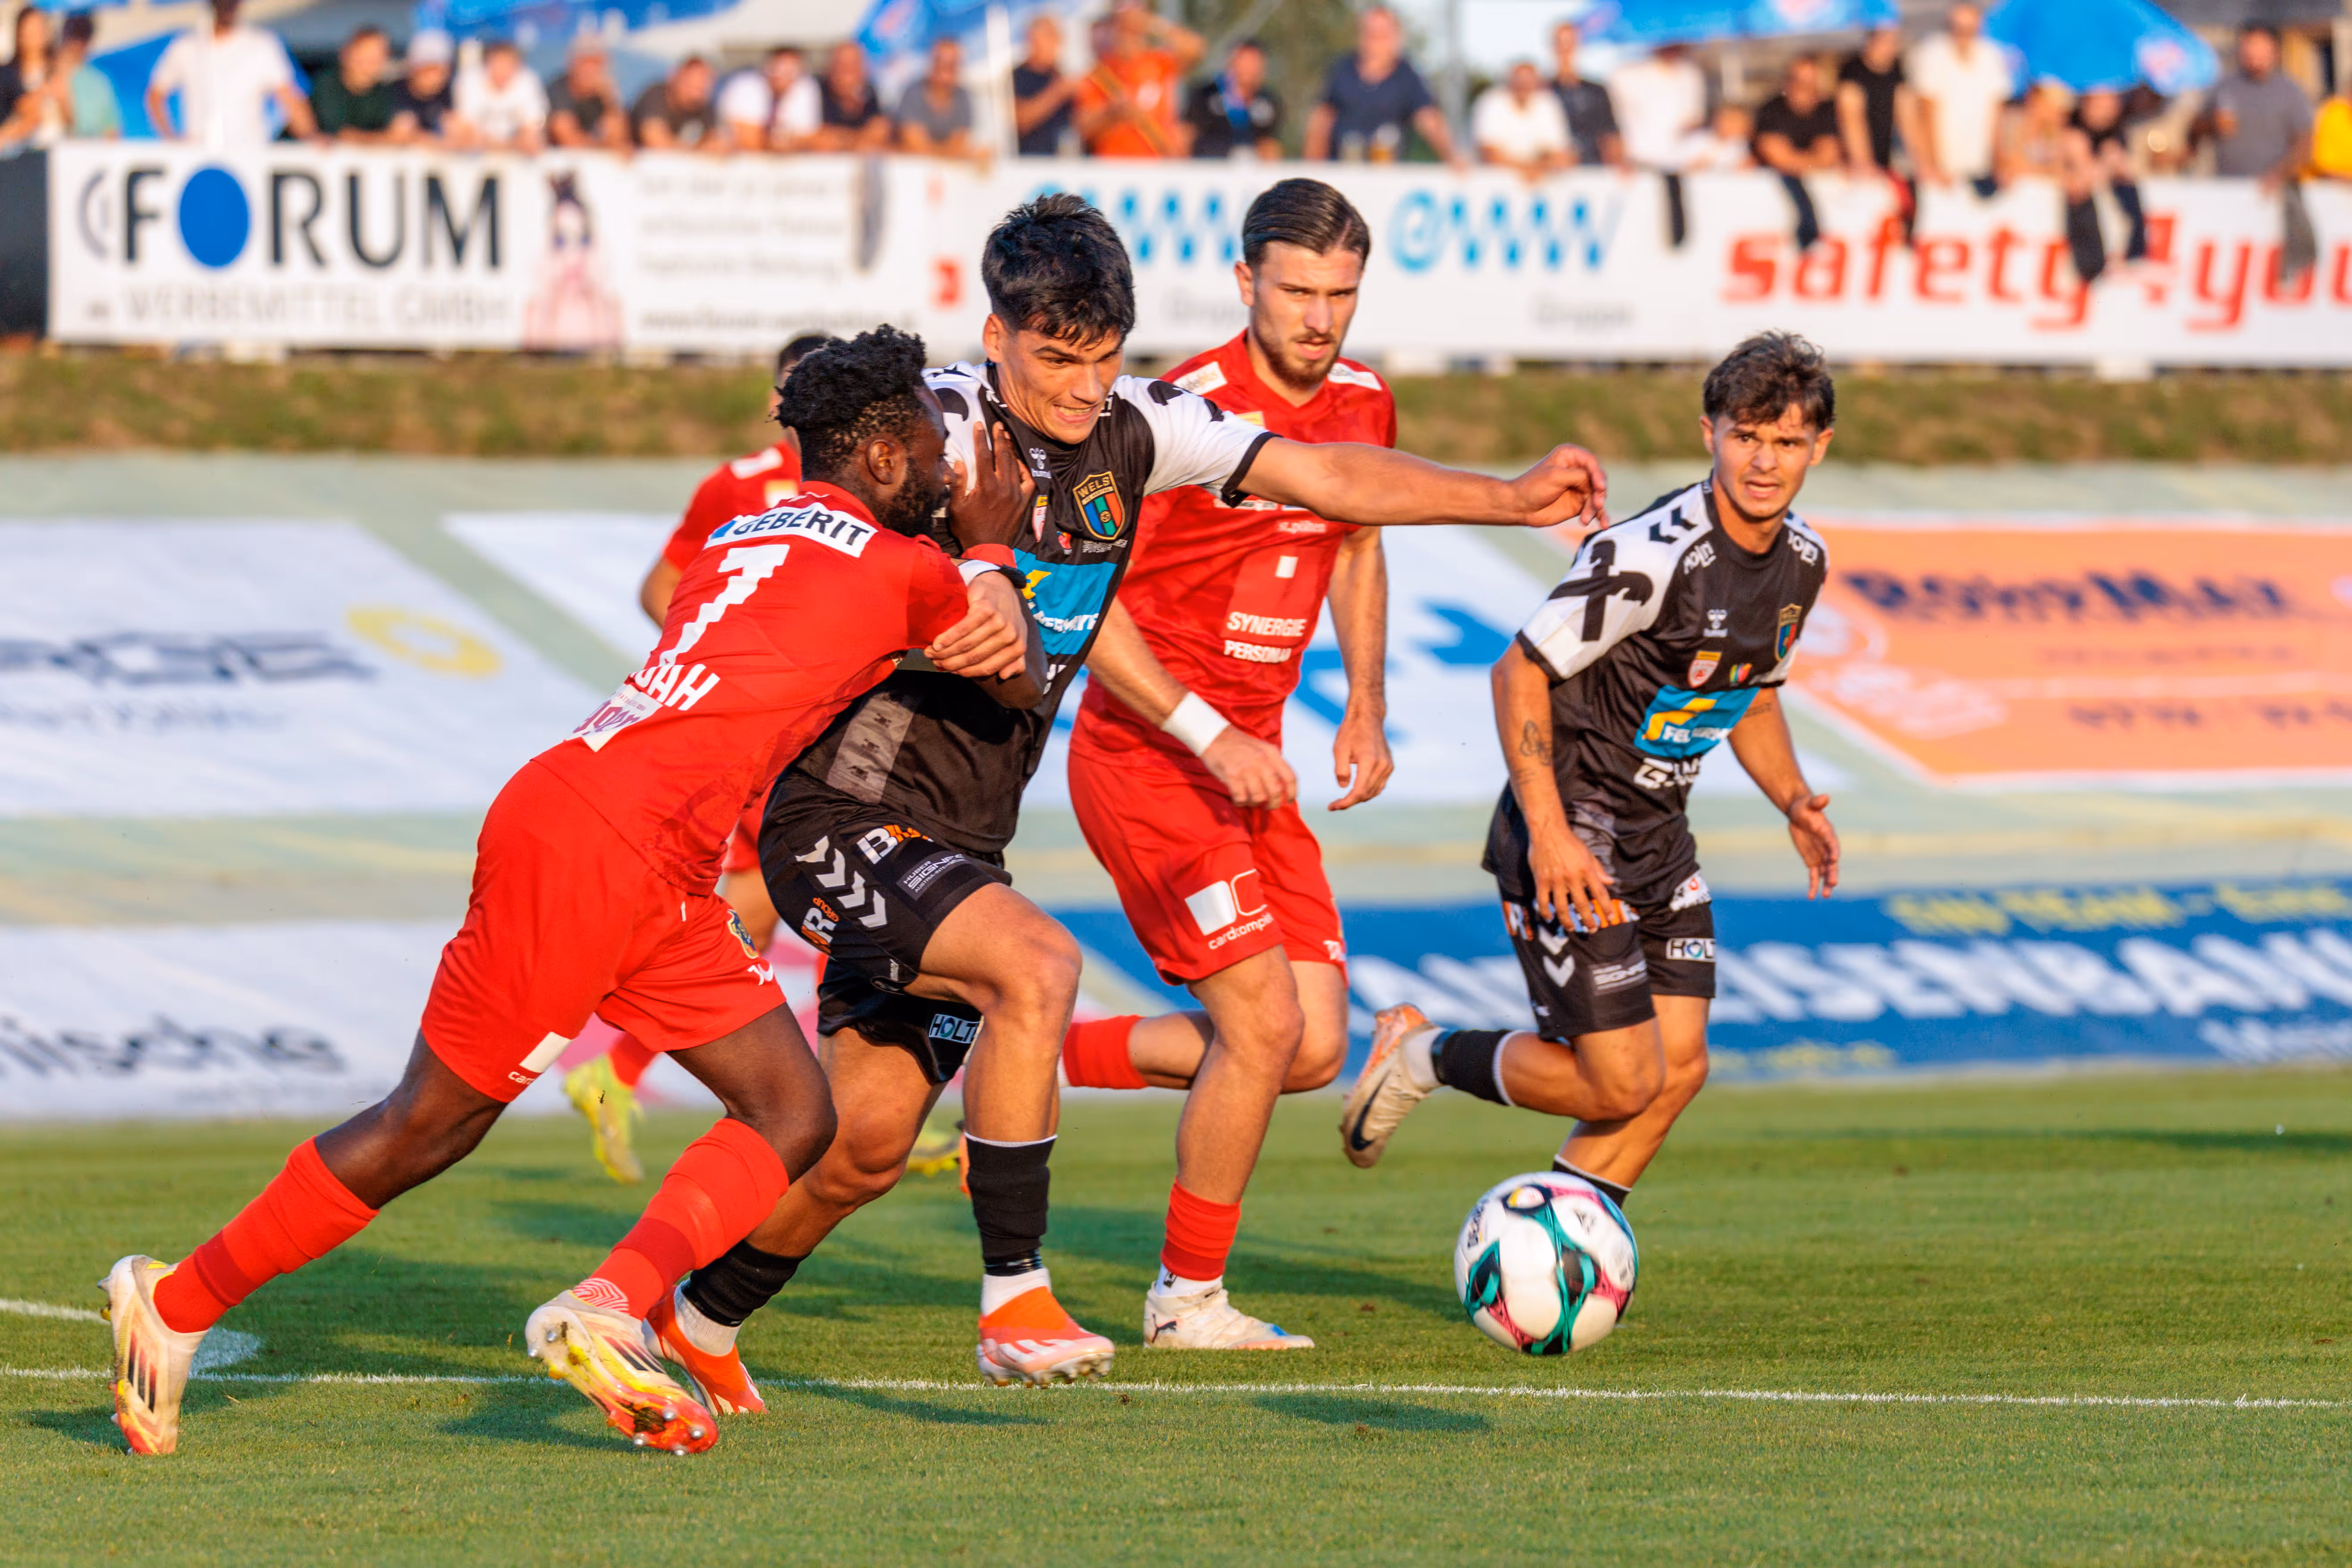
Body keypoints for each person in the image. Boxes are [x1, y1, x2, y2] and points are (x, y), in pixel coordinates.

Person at [657, 193, 1603, 1403]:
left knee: (862, 1141)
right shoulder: (933, 428)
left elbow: (1321, 473)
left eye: (1103, 357)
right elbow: (800, 539)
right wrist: (936, 603)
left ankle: (691, 1318)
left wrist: (1507, 497)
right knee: (1038, 968)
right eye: (1056, 358)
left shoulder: (1138, 425)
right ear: (996, 334)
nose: (1080, 385)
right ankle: (1016, 1297)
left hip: (959, 832)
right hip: (840, 808)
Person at [100, 324, 1042, 1459]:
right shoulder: (907, 565)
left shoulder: (746, 531)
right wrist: (990, 543)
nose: (952, 471)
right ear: (886, 459)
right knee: (428, 1125)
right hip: (601, 845)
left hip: (652, 855)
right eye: (937, 450)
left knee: (795, 1111)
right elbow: (1009, 658)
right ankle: (175, 1299)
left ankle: (609, 1303)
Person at [1059, 179, 1603, 1350]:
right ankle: (1185, 1298)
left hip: (1262, 764)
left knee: (1307, 1046)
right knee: (1259, 1025)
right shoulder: (1171, 412)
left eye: (1340, 294)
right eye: (1296, 290)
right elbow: (1086, 603)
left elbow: (1355, 532)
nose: (1319, 317)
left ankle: (1016, 1058)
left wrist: (1364, 698)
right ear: (1246, 280)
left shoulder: (1361, 398)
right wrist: (1208, 730)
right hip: (1153, 754)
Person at [1340, 333, 1839, 1239]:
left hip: (1658, 838)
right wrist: (1549, 832)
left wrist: (1794, 801)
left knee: (1679, 1069)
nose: (1763, 461)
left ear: (1818, 449)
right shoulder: (1654, 553)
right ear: (1709, 434)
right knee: (1620, 1080)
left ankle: (1559, 1239)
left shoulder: (1802, 561)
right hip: (1569, 833)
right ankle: (1421, 1055)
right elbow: (1517, 672)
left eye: (1786, 442)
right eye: (1745, 436)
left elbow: (1749, 691)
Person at [565, 331, 837, 1183]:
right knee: (813, 893)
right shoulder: (743, 485)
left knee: (757, 913)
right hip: (764, 730)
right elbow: (661, 585)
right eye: (797, 395)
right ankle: (849, 1094)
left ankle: (620, 1071)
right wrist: (722, 666)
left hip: (815, 727)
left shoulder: (871, 485)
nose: (808, 414)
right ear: (776, 402)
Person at [1306, 3, 1461, 168]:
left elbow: (1429, 120)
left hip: (1387, 178)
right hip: (1342, 172)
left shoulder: (1407, 76)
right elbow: (1321, 120)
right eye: (1371, 33)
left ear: (1396, 37)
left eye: (1382, 35)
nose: (1375, 41)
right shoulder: (1342, 70)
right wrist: (1313, 169)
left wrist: (1453, 156)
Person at [146, 0, 313, 147]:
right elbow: (156, 95)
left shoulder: (262, 45)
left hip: (249, 156)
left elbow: (290, 99)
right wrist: (171, 140)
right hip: (198, 159)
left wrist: (310, 137)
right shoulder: (187, 47)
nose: (227, 5)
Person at [1907, 2, 2013, 194]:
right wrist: (1933, 163)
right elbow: (1925, 114)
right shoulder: (1932, 54)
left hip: (1980, 165)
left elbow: (1997, 115)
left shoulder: (1992, 56)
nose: (1964, 35)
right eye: (1959, 29)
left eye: (1969, 29)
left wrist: (1999, 161)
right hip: (1943, 169)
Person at [1075, 0, 1201, 159]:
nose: (1128, 36)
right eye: (1123, 30)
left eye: (1133, 32)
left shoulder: (1159, 62)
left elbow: (1195, 49)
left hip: (1155, 163)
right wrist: (1112, 112)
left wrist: (1151, 23)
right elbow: (1083, 126)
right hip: (1113, 165)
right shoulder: (1100, 73)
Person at [2197, 26, 2314, 188]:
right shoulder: (2224, 87)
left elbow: (2305, 144)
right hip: (2229, 189)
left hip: (2275, 190)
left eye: (2260, 47)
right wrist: (2212, 124)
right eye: (2249, 45)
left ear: (2275, 51)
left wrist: (2279, 174)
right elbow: (2196, 129)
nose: (2254, 53)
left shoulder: (2290, 92)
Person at [1754, 56, 1844, 250]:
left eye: (1809, 81)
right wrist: (1812, 162)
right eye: (1797, 80)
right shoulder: (1771, 110)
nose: (1802, 87)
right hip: (1771, 211)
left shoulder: (1827, 110)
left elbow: (1828, 155)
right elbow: (1778, 158)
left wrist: (1800, 162)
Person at [2062, 87, 2149, 284]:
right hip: (2083, 236)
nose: (2108, 108)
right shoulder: (2074, 133)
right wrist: (2105, 165)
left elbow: (2133, 174)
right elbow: (2078, 185)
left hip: (2109, 236)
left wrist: (2117, 165)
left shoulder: (2118, 135)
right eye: (2101, 102)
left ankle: (2134, 253)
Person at [1185, 35, 1281, 161]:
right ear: (1232, 62)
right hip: (1207, 169)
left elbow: (1269, 145)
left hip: (1248, 172)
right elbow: (1185, 136)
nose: (1250, 68)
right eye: (1245, 61)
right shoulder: (1206, 94)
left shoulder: (1268, 102)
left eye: (1254, 62)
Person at [1473, 59, 1572, 179]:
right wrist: (1527, 170)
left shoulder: (1547, 104)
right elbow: (1489, 154)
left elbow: (1561, 154)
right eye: (1519, 79)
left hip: (1537, 186)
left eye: (1528, 80)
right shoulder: (1492, 102)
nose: (1523, 85)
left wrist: (1535, 169)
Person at [1836, 25, 1912, 177]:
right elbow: (1852, 120)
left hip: (1883, 163)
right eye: (1887, 41)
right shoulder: (1852, 72)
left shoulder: (1896, 70)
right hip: (1853, 166)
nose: (1892, 48)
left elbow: (1909, 119)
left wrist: (1926, 164)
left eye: (1895, 42)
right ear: (1873, 40)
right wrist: (1864, 162)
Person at [716, 45, 819, 154]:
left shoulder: (805, 87)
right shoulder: (745, 86)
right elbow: (748, 140)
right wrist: (778, 143)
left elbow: (810, 137)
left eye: (790, 71)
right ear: (767, 67)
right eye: (778, 69)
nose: (782, 76)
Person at [451, 38, 546, 151]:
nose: (502, 70)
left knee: (534, 141)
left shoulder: (529, 81)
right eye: (498, 64)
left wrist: (510, 144)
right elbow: (465, 128)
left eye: (508, 65)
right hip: (477, 151)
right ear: (487, 64)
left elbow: (534, 128)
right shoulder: (469, 80)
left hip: (515, 150)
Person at [1549, 21, 1621, 169]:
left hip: (1592, 170)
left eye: (1570, 43)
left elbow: (1609, 134)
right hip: (1553, 171)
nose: (1565, 49)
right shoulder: (1543, 91)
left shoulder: (1597, 91)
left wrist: (1618, 162)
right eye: (1561, 43)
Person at [896, 35, 979, 162]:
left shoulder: (963, 97)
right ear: (932, 64)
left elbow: (959, 144)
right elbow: (914, 145)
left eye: (952, 65)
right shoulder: (913, 93)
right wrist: (953, 153)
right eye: (941, 63)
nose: (945, 70)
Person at [312, 25, 396, 142]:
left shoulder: (383, 92)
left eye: (377, 56)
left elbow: (392, 130)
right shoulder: (326, 85)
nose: (370, 64)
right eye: (365, 55)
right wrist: (386, 139)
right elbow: (340, 134)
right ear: (347, 53)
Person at [1011, 13, 1079, 157]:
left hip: (1060, 161)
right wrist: (1057, 93)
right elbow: (1020, 120)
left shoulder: (1060, 75)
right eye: (1049, 38)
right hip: (1028, 162)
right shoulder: (1016, 77)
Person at [0, 7, 65, 150]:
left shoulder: (59, 71)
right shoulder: (7, 74)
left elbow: (72, 118)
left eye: (38, 29)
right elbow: (27, 114)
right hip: (19, 151)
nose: (34, 36)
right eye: (29, 30)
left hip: (58, 148)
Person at [549, 38, 630, 150]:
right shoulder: (558, 90)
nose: (591, 70)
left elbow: (619, 138)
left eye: (597, 63)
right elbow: (567, 139)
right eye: (585, 62)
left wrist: (611, 100)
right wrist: (605, 149)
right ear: (573, 64)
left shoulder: (604, 94)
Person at [810, 39, 889, 152]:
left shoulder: (869, 93)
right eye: (842, 66)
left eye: (853, 66)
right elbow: (817, 139)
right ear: (830, 68)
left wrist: (843, 139)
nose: (847, 73)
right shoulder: (815, 91)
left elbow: (879, 131)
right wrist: (858, 139)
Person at [632, 54, 718, 150]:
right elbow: (655, 141)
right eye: (691, 83)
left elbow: (718, 144)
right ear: (677, 77)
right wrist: (696, 150)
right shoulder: (656, 96)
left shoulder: (705, 107)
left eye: (703, 84)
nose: (699, 87)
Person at [389, 28, 456, 144]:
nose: (434, 77)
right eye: (428, 70)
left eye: (440, 71)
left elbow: (461, 134)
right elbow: (397, 136)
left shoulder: (447, 93)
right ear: (414, 69)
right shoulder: (394, 92)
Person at [59, 13, 120, 139]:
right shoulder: (50, 74)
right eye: (74, 37)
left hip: (93, 154)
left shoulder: (100, 81)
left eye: (83, 38)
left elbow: (112, 131)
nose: (77, 45)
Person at [1675, 103, 1754, 172]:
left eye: (1736, 123)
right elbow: (1683, 165)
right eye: (1727, 121)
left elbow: (1744, 166)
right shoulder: (1700, 140)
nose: (1730, 126)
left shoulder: (1740, 144)